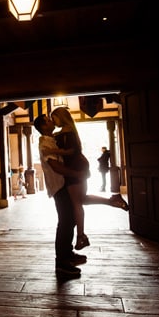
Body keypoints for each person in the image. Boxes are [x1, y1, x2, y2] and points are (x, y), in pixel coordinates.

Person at [49, 106, 128, 251]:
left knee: (77, 204)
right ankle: (113, 201)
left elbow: (72, 151)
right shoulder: (69, 131)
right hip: (77, 166)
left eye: (53, 117)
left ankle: (81, 236)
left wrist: (53, 150)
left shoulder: (66, 131)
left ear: (60, 116)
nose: (52, 121)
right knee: (81, 200)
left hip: (74, 168)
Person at [33, 114, 88, 277]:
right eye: (49, 120)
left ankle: (67, 254)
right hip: (59, 186)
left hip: (62, 184)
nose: (52, 121)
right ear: (43, 126)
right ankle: (62, 263)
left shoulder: (52, 139)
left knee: (69, 220)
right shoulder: (45, 143)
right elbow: (56, 166)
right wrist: (77, 174)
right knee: (65, 222)